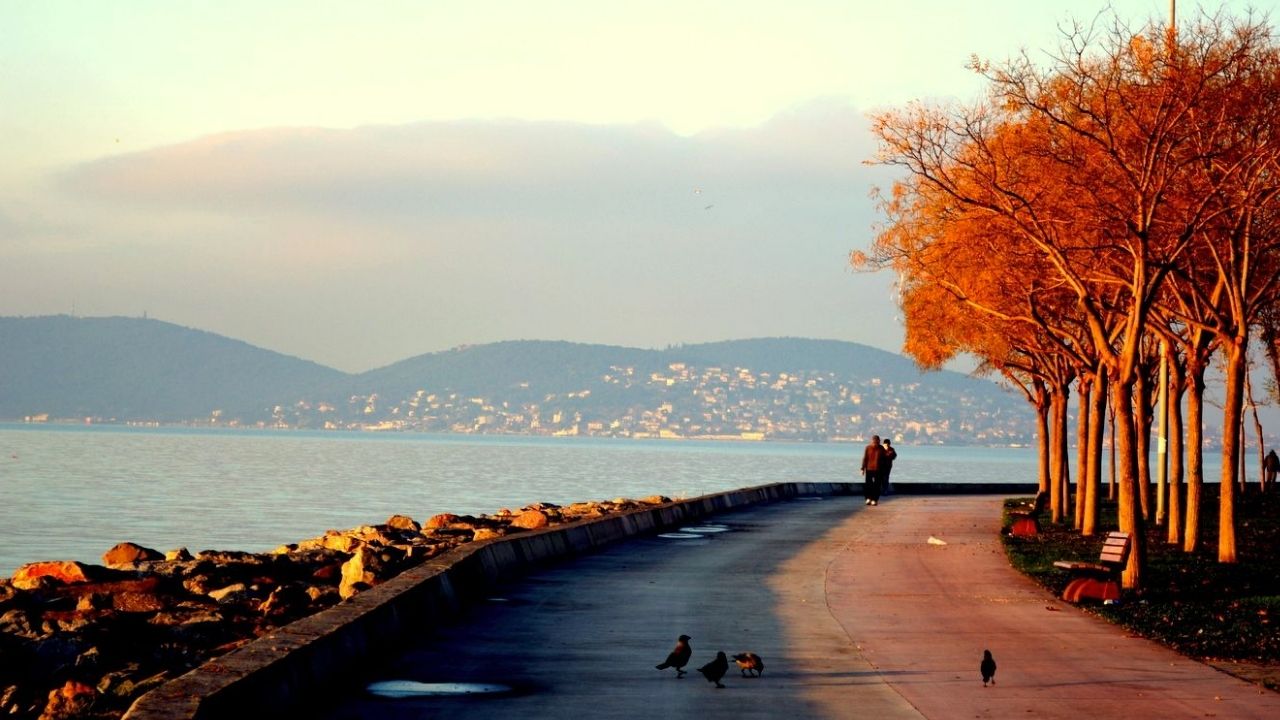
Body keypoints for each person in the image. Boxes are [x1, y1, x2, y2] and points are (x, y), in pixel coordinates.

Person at [861, 434, 886, 505]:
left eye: (877, 442)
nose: (875, 443)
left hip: (878, 470)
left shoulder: (881, 449)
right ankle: (868, 498)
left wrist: (884, 470)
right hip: (869, 469)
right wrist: (862, 468)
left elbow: (884, 460)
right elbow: (865, 458)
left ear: (879, 441)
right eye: (874, 441)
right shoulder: (868, 448)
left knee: (877, 485)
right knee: (868, 484)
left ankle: (874, 499)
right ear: (872, 441)